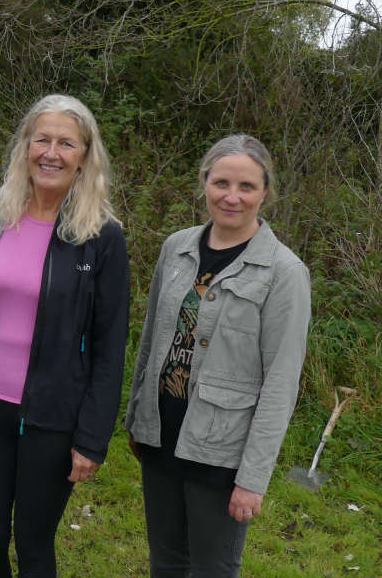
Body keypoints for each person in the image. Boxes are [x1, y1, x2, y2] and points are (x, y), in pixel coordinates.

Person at [0, 94, 130, 577]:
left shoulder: (101, 236)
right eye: (41, 139)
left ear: (85, 155)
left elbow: (110, 347)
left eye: (66, 143)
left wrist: (92, 438)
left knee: (33, 543)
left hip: (53, 417)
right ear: (25, 147)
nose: (51, 152)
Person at [125, 134, 310, 577]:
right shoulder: (177, 247)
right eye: (221, 182)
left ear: (265, 192)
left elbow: (281, 384)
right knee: (166, 562)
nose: (232, 197)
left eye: (246, 187)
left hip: (223, 451)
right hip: (162, 434)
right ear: (204, 183)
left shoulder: (284, 273)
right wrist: (137, 417)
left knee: (212, 568)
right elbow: (151, 342)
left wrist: (252, 478)